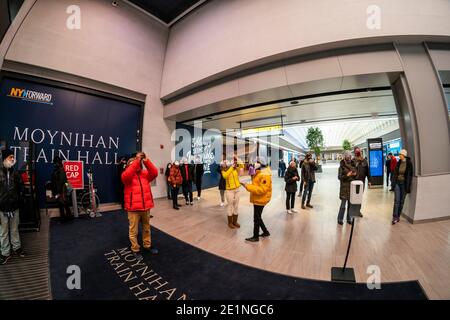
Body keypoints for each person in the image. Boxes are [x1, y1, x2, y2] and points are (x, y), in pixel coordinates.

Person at [121, 152, 158, 261]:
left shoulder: (145, 174)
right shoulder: (126, 176)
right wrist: (136, 161)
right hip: (133, 209)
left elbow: (154, 172)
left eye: (137, 163)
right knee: (134, 231)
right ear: (129, 166)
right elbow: (128, 174)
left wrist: (146, 160)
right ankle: (135, 249)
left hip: (146, 207)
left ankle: (147, 245)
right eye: (132, 164)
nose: (136, 165)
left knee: (147, 228)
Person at [0, 149, 26, 264]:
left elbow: (21, 187)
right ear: (4, 159)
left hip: (14, 207)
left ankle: (17, 248)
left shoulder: (16, 173)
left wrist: (20, 197)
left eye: (13, 157)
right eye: (10, 157)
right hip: (2, 208)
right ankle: (5, 253)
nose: (12, 159)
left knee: (15, 229)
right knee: (3, 231)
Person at [241, 157, 272, 242]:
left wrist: (247, 186)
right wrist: (252, 174)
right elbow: (256, 183)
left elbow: (262, 190)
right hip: (258, 198)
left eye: (255, 162)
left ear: (261, 163)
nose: (253, 164)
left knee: (256, 218)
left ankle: (255, 237)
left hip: (260, 199)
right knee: (258, 217)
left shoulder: (265, 174)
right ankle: (265, 232)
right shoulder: (260, 172)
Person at [391, 149, 413, 225]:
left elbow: (410, 176)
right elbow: (395, 173)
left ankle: (398, 216)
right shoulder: (398, 162)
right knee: (396, 201)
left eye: (400, 154)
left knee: (401, 202)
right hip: (397, 183)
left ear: (403, 155)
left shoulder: (409, 163)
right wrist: (393, 183)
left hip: (404, 184)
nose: (399, 155)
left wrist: (408, 186)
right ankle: (394, 217)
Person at [222, 157, 243, 229]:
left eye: (227, 162)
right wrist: (231, 167)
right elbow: (225, 176)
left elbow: (241, 166)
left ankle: (235, 222)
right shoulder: (224, 170)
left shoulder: (234, 168)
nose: (226, 163)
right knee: (230, 206)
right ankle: (230, 222)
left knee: (236, 206)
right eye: (224, 163)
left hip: (237, 189)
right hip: (229, 190)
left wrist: (238, 160)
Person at [51, 156, 73, 222]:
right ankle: (65, 217)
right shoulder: (58, 170)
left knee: (63, 203)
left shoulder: (61, 170)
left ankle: (67, 217)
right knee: (62, 204)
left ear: (58, 163)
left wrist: (57, 192)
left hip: (61, 191)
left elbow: (61, 182)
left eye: (55, 163)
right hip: (59, 191)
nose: (54, 164)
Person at [337, 151, 357, 225]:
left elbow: (356, 174)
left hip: (352, 187)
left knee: (350, 205)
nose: (350, 159)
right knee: (343, 205)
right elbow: (339, 177)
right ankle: (340, 219)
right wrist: (347, 175)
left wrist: (355, 174)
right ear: (345, 157)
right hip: (344, 188)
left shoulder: (353, 165)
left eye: (350, 157)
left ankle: (349, 219)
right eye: (348, 157)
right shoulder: (341, 167)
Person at [353, 147, 371, 217]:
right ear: (355, 152)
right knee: (354, 197)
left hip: (362, 182)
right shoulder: (353, 161)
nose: (358, 153)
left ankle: (358, 211)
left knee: (359, 197)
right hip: (354, 182)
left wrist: (369, 181)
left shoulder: (364, 161)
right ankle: (353, 210)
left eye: (359, 151)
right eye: (357, 152)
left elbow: (368, 172)